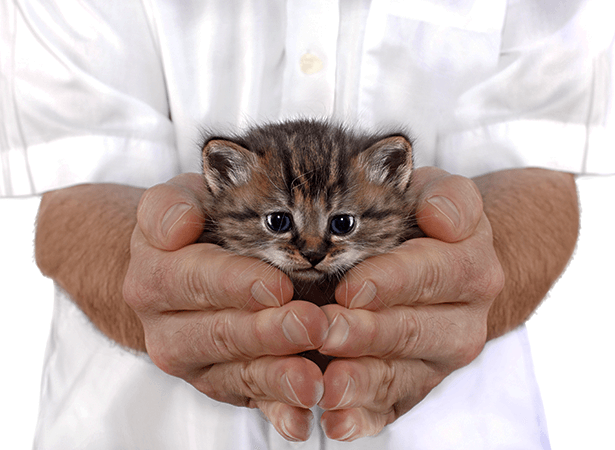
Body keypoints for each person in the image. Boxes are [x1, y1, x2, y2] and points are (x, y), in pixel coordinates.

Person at [1, 0, 613, 448]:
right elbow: (72, 188)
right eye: (280, 223)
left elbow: (544, 158)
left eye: (340, 223)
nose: (314, 248)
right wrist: (152, 274)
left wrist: (466, 275)